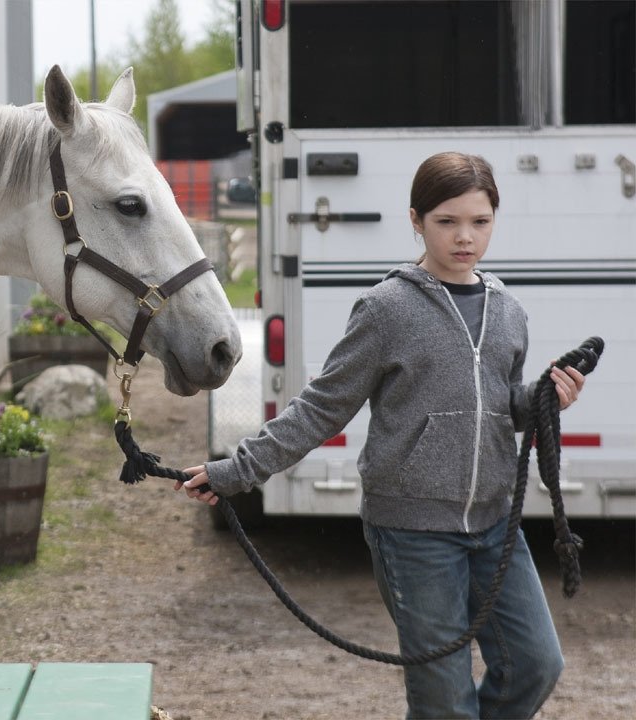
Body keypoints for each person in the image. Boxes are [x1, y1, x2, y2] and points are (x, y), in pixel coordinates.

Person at [177, 151, 586, 719]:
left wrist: (542, 398)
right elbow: (322, 407)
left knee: (537, 664)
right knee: (444, 702)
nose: (464, 237)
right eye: (447, 222)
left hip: (496, 525)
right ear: (416, 220)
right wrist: (237, 470)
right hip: (413, 535)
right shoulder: (386, 309)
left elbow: (501, 408)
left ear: (494, 219)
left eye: (479, 222)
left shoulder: (509, 312)